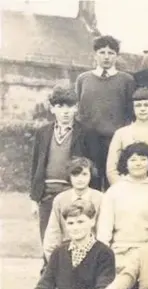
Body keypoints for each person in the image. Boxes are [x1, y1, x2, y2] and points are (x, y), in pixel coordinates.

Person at [30, 86, 94, 249]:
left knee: (71, 240)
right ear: (52, 109)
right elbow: (36, 165)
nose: (65, 112)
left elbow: (92, 167)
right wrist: (34, 198)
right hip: (46, 195)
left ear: (76, 108)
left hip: (71, 193)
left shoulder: (85, 133)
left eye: (70, 107)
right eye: (60, 107)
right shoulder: (43, 132)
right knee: (48, 241)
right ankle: (47, 273)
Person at [75, 35, 136, 190]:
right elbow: (79, 109)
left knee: (113, 184)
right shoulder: (83, 79)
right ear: (95, 55)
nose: (106, 57)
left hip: (114, 141)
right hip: (89, 141)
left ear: (117, 56)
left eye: (111, 53)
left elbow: (130, 112)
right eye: (102, 52)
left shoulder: (126, 80)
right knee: (90, 182)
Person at [96, 142, 148, 272]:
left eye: (143, 159)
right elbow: (104, 229)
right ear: (125, 164)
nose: (138, 163)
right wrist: (104, 256)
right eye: (133, 160)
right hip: (117, 253)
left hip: (146, 253)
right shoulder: (114, 191)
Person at [43, 158, 103, 262]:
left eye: (84, 174)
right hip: (67, 253)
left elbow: (103, 231)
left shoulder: (100, 199)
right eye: (75, 175)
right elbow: (53, 232)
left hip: (93, 254)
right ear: (69, 176)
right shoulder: (60, 200)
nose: (80, 179)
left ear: (91, 175)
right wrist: (54, 260)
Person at [106, 87, 148, 186]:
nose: (142, 109)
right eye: (138, 105)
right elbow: (111, 169)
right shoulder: (121, 133)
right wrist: (121, 188)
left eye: (147, 105)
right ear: (132, 108)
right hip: (124, 187)